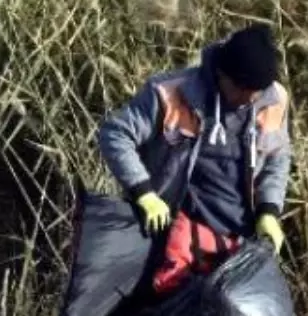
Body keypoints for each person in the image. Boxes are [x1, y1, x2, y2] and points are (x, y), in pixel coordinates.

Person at [97, 23, 291, 295]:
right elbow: (115, 134)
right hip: (173, 234)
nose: (248, 100)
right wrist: (144, 193)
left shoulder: (274, 99)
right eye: (242, 89)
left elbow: (277, 158)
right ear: (222, 74)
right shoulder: (170, 93)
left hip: (236, 239)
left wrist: (269, 211)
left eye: (256, 93)